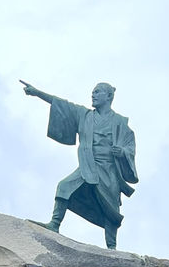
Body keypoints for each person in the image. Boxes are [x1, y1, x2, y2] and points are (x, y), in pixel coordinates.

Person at [20, 80, 138, 249]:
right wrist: (37, 92)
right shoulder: (84, 115)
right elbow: (62, 104)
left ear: (109, 96)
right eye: (93, 92)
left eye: (97, 92)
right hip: (88, 165)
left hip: (109, 169)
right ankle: (54, 224)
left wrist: (123, 152)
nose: (93, 95)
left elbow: (129, 146)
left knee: (111, 208)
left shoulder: (120, 122)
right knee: (64, 186)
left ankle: (111, 247)